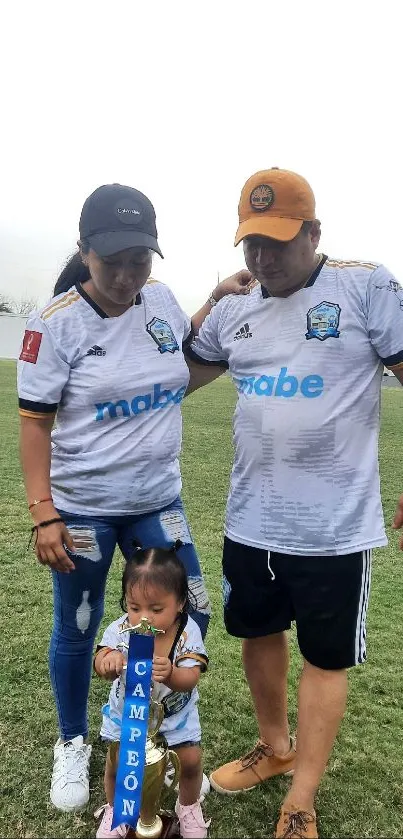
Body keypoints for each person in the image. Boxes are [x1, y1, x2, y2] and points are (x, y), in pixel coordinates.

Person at [17, 182, 251, 813]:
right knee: (79, 626)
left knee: (194, 609)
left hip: (157, 498)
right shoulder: (55, 326)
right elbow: (35, 423)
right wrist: (45, 513)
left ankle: (162, 728)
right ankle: (72, 742)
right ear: (85, 251)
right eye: (111, 261)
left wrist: (214, 303)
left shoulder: (162, 300)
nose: (125, 276)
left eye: (139, 261)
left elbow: (176, 362)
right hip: (85, 508)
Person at [184, 168, 403, 838]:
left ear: (313, 232)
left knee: (324, 656)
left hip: (334, 527)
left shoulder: (365, 286)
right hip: (252, 518)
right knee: (256, 633)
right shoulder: (235, 305)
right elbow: (173, 378)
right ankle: (274, 748)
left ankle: (300, 797)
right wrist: (202, 301)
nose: (262, 257)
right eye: (251, 242)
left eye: (278, 241)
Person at [94, 543, 210, 839]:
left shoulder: (187, 632)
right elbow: (100, 660)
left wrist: (172, 675)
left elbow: (191, 677)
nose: (144, 617)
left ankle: (188, 807)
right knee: (116, 763)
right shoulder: (120, 630)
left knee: (191, 761)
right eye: (134, 608)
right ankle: (116, 810)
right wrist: (107, 662)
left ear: (181, 602)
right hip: (128, 714)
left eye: (156, 609)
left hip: (174, 716)